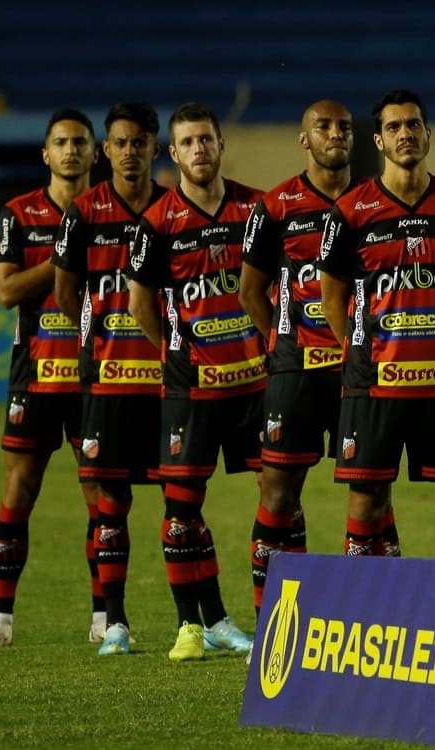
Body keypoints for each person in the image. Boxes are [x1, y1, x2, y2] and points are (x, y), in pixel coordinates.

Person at [127, 102, 264, 661]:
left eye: (206, 139)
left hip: (257, 383)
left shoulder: (257, 209)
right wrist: (176, 353)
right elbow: (140, 304)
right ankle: (194, 625)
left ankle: (273, 621)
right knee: (181, 505)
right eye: (187, 142)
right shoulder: (156, 223)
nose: (199, 149)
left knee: (279, 500)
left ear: (220, 143)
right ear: (173, 152)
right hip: (191, 388)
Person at [316, 90, 435, 559]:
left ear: (428, 134)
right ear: (378, 141)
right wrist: (362, 355)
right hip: (375, 387)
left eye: (412, 125)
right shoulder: (350, 211)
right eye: (393, 127)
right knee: (365, 509)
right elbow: (332, 299)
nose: (404, 134)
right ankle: (363, 617)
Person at [0, 109, 103, 649]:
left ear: (94, 153)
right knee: (19, 490)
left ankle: (105, 615)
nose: (71, 150)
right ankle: (1, 617)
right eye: (60, 142)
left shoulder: (114, 212)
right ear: (45, 154)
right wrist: (68, 255)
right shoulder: (19, 214)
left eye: (79, 142)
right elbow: (6, 293)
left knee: (102, 494)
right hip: (37, 371)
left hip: (98, 370)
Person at [52, 102, 170, 655]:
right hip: (106, 378)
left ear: (155, 147)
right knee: (109, 500)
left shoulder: (174, 209)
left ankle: (192, 621)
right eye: (120, 143)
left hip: (166, 379)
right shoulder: (84, 211)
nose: (129, 151)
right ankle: (114, 621)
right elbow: (65, 292)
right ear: (107, 150)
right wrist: (98, 336)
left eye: (139, 142)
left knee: (182, 495)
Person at [239, 100, 358, 612]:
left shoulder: (371, 202)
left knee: (370, 493)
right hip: (297, 371)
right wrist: (284, 345)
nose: (335, 134)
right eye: (323, 126)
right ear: (303, 139)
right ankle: (274, 618)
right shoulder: (275, 206)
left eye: (344, 127)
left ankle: (363, 614)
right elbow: (250, 292)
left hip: (359, 370)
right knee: (278, 495)